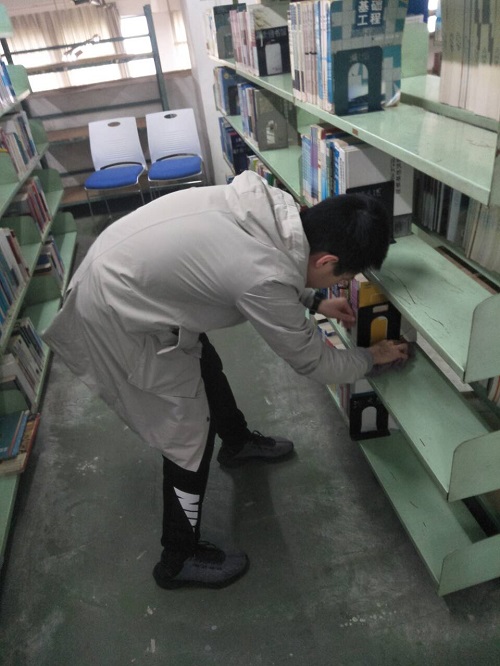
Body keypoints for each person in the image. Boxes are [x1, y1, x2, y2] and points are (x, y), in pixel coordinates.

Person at [42, 170, 408, 590]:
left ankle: (236, 442)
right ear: (325, 261)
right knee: (186, 435)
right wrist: (370, 357)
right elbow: (315, 362)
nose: (339, 285)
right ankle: (178, 558)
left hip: (124, 271)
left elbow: (280, 268)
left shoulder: (275, 210)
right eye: (340, 278)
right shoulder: (262, 275)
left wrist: (315, 299)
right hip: (117, 313)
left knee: (203, 364)